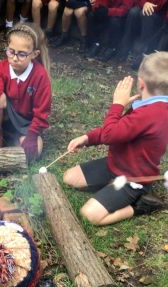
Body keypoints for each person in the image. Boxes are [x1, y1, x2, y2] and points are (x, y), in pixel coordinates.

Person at [63, 52, 168, 226]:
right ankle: (111, 187)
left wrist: (118, 105)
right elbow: (121, 129)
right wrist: (87, 138)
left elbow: (110, 135)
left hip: (133, 179)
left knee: (88, 215)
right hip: (116, 164)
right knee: (69, 178)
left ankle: (140, 205)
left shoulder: (150, 114)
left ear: (141, 84)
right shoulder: (151, 106)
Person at [0, 23, 51, 164]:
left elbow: (42, 111)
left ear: (34, 54)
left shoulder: (40, 76)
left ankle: (14, 141)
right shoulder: (2, 68)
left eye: (22, 54)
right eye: (11, 51)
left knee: (35, 151)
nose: (14, 58)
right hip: (5, 117)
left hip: (27, 125)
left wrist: (32, 134)